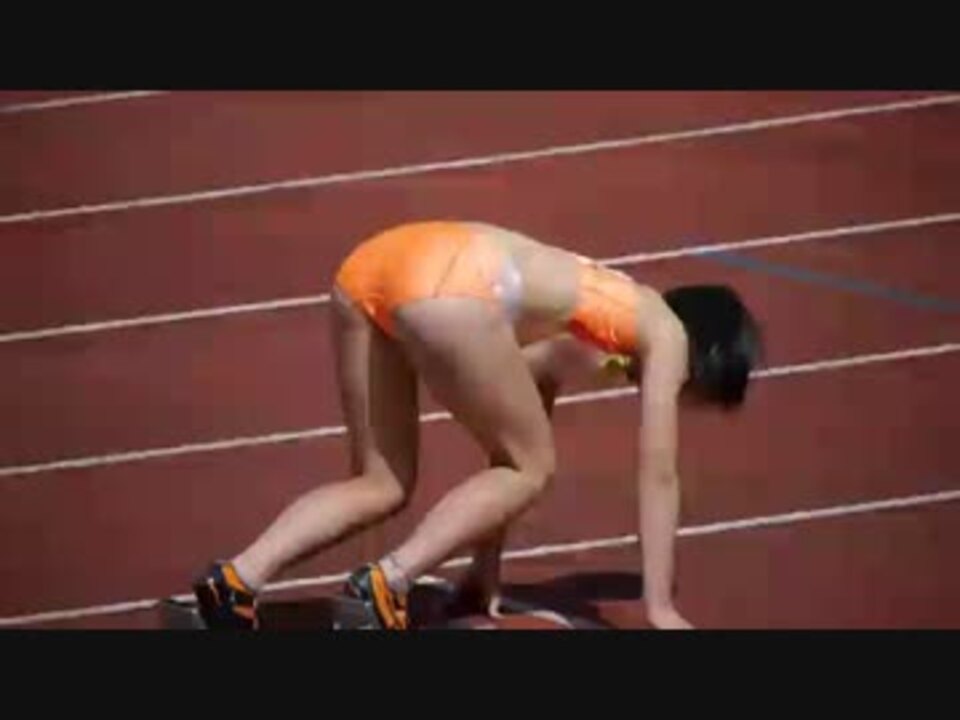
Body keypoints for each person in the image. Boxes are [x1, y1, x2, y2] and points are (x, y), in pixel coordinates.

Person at [191, 220, 762, 630]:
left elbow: (518, 426)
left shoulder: (593, 321)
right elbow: (658, 473)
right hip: (455, 282)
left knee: (382, 482)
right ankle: (388, 581)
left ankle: (237, 580)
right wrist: (659, 609)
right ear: (706, 355)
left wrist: (484, 569)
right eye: (697, 394)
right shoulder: (666, 331)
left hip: (375, 265)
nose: (682, 396)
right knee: (533, 468)